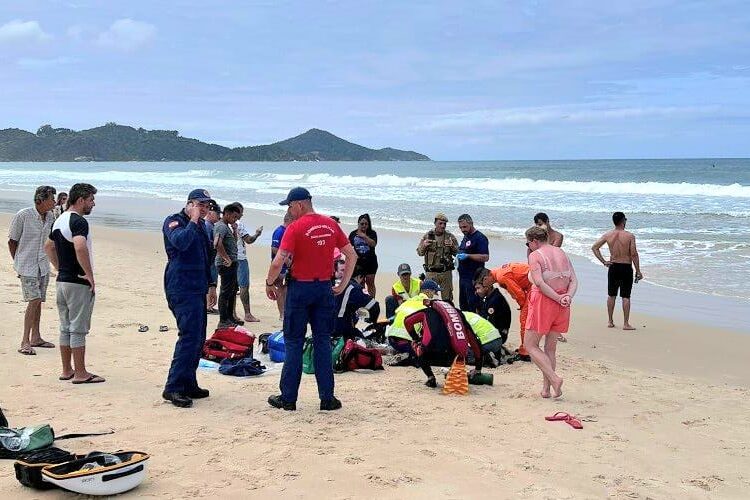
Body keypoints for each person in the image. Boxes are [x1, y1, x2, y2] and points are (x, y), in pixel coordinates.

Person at [265, 187, 357, 411]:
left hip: (300, 289)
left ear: (299, 204)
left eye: (289, 205)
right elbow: (351, 254)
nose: (289, 210)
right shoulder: (330, 224)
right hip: (323, 288)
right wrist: (342, 284)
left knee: (294, 342)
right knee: (322, 341)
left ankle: (288, 398)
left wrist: (269, 283)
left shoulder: (295, 228)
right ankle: (327, 398)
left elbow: (279, 261)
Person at [45, 183, 103, 384]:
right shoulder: (78, 222)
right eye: (91, 200)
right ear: (81, 200)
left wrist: (59, 268)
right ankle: (80, 373)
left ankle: (66, 369)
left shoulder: (60, 219)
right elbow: (80, 247)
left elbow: (49, 246)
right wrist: (89, 275)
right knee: (78, 328)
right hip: (77, 282)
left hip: (62, 281)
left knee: (65, 327)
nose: (93, 204)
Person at [160, 189, 213, 408]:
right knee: (189, 336)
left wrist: (211, 285)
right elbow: (180, 242)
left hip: (198, 285)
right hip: (181, 286)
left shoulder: (201, 226)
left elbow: (206, 256)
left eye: (207, 206)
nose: (204, 209)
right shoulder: (175, 221)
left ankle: (189, 382)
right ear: (190, 204)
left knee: (198, 337)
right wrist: (192, 220)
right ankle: (173, 387)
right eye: (200, 205)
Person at [525, 226, 578, 399]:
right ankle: (547, 389)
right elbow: (574, 280)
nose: (528, 246)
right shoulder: (561, 252)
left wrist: (556, 298)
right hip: (563, 304)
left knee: (530, 345)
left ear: (534, 241)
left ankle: (554, 379)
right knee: (550, 348)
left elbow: (539, 282)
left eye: (528, 243)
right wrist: (567, 296)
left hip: (544, 302)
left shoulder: (535, 255)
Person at [8, 185, 57, 355]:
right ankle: (25, 341)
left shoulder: (51, 216)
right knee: (34, 300)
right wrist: (19, 264)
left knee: (38, 302)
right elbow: (12, 241)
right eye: (52, 199)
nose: (55, 202)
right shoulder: (23, 215)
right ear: (40, 200)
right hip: (27, 265)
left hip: (42, 265)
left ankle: (36, 337)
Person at [403, 299, 483, 388]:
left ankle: (430, 377)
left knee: (416, 345)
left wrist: (416, 338)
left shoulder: (427, 312)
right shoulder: (458, 316)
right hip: (453, 358)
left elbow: (407, 321)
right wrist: (478, 368)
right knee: (461, 350)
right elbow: (473, 341)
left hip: (429, 356)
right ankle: (456, 372)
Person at [592, 212, 643, 330]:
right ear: (623, 221)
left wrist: (604, 262)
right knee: (626, 296)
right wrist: (638, 271)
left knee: (611, 295)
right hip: (625, 268)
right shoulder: (629, 236)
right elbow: (634, 254)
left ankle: (610, 321)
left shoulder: (608, 235)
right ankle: (626, 324)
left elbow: (594, 247)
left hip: (613, 267)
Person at [477, 262, 533, 361]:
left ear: (486, 278)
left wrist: (522, 306)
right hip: (532, 279)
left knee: (525, 320)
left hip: (533, 284)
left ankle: (525, 352)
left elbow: (519, 294)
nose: (484, 287)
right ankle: (526, 347)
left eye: (482, 285)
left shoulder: (501, 277)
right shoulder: (499, 273)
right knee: (527, 319)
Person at [385, 279, 441, 366]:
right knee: (428, 354)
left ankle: (404, 352)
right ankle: (407, 357)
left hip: (392, 339)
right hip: (405, 341)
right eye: (434, 292)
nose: (434, 295)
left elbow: (397, 312)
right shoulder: (427, 305)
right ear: (427, 291)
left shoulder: (410, 301)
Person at [416, 213, 459, 302]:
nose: (443, 226)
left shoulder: (450, 237)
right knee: (427, 299)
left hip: (445, 272)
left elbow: (458, 254)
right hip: (431, 272)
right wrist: (424, 246)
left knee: (447, 300)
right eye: (440, 223)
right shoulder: (428, 236)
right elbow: (420, 252)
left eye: (444, 224)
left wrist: (452, 246)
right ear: (435, 223)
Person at [214, 202, 243, 328]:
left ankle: (230, 317)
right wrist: (226, 258)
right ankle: (223, 320)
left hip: (232, 262)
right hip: (225, 264)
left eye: (237, 218)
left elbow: (234, 242)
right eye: (234, 217)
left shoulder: (227, 227)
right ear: (226, 214)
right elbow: (217, 243)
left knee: (231, 291)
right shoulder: (221, 226)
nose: (235, 219)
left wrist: (235, 229)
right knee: (226, 292)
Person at [234, 203, 263, 323]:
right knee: (244, 286)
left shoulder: (223, 223)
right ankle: (247, 314)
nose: (242, 214)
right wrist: (257, 234)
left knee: (231, 287)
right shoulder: (239, 225)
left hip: (229, 259)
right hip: (240, 258)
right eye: (241, 212)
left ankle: (233, 313)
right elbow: (248, 240)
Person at [456, 214, 489, 312]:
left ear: (471, 223)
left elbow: (485, 257)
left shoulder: (480, 238)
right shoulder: (466, 237)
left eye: (465, 227)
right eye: (460, 227)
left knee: (473, 305)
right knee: (463, 305)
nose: (463, 230)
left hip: (474, 278)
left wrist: (468, 256)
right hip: (463, 277)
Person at [333, 271, 380, 340]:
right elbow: (374, 306)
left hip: (322, 327)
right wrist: (372, 321)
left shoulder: (333, 283)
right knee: (364, 341)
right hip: (340, 329)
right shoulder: (354, 287)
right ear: (359, 276)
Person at [473, 275, 511, 342]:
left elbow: (490, 324)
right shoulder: (490, 297)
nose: (477, 291)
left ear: (487, 287)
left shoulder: (494, 300)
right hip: (497, 333)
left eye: (478, 288)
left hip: (498, 336)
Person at [270, 212, 292, 321]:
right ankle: (281, 314)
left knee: (286, 289)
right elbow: (274, 248)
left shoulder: (288, 232)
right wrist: (286, 259)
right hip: (279, 266)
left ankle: (286, 311)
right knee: (279, 289)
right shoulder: (279, 231)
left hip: (288, 267)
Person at [349, 214, 378, 298]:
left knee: (370, 283)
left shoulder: (372, 233)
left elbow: (373, 244)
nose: (364, 225)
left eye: (366, 224)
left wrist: (364, 236)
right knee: (360, 283)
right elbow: (348, 247)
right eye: (362, 224)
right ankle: (362, 301)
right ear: (358, 224)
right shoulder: (353, 234)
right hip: (358, 263)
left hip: (371, 262)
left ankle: (371, 301)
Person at [204, 200, 220, 315]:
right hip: (210, 260)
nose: (219, 216)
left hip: (211, 259)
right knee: (210, 282)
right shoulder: (208, 226)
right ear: (209, 213)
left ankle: (208, 305)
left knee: (211, 282)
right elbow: (210, 245)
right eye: (217, 214)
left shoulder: (210, 226)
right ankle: (208, 306)